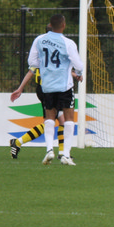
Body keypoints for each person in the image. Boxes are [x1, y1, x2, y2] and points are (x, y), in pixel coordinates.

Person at [31, 14, 84, 166]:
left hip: (47, 85)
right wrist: (78, 74)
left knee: (49, 117)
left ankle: (49, 150)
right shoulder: (68, 43)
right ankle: (66, 154)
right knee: (69, 118)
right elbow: (79, 65)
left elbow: (32, 61)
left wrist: (46, 67)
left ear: (50, 25)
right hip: (64, 86)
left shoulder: (39, 40)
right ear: (63, 25)